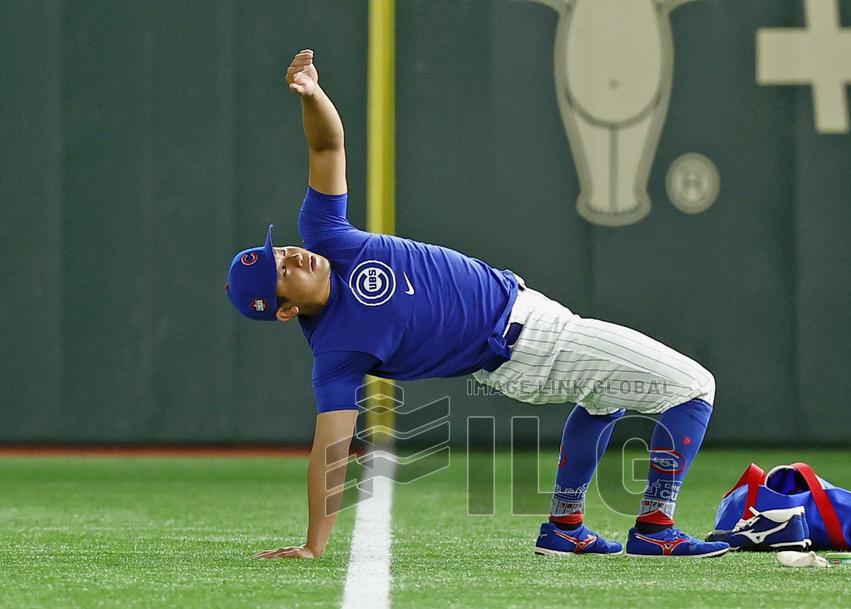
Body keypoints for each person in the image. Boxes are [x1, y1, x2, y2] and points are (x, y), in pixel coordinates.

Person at [227, 49, 728, 561]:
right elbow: (330, 454)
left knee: (603, 399)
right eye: (282, 271)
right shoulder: (336, 349)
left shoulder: (326, 235)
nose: (294, 257)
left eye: (283, 250)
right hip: (526, 343)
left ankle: (565, 526)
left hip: (528, 322)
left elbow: (327, 145)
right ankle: (655, 527)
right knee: (693, 388)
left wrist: (313, 95)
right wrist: (314, 545)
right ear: (285, 310)